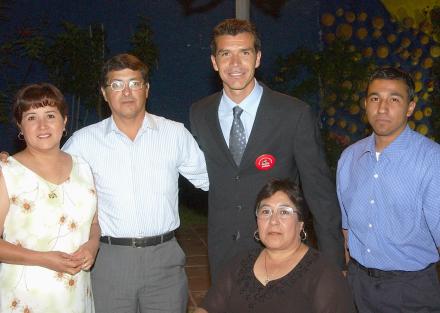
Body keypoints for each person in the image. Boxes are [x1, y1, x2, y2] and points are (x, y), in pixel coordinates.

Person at [190, 18, 344, 280]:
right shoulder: (199, 113)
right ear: (214, 62)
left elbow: (320, 193)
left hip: (280, 254)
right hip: (222, 256)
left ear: (258, 58)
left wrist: (333, 263)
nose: (235, 64)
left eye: (245, 53)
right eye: (226, 54)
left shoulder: (293, 114)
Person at [63, 54, 209, 313]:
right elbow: (51, 181)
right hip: (109, 260)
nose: (126, 92)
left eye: (134, 83)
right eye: (116, 85)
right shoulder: (84, 142)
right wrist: (11, 166)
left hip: (164, 259)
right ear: (104, 93)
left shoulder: (174, 134)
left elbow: (211, 180)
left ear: (147, 89)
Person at [337, 67, 440, 312]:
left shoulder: (431, 160)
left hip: (410, 290)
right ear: (365, 104)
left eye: (394, 99)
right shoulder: (350, 158)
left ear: (410, 107)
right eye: (375, 98)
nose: (382, 108)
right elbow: (346, 229)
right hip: (357, 284)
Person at [0, 83, 100, 312]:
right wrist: (43, 258)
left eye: (50, 115)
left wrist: (92, 246)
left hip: (77, 297)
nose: (42, 125)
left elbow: (94, 223)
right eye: (32, 117)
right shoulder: (7, 172)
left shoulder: (83, 167)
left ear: (64, 121)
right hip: (26, 299)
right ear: (20, 126)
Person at [195, 179, 355, 313]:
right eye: (265, 212)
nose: (273, 221)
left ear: (300, 224)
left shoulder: (323, 273)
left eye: (284, 212)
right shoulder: (240, 264)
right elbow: (207, 308)